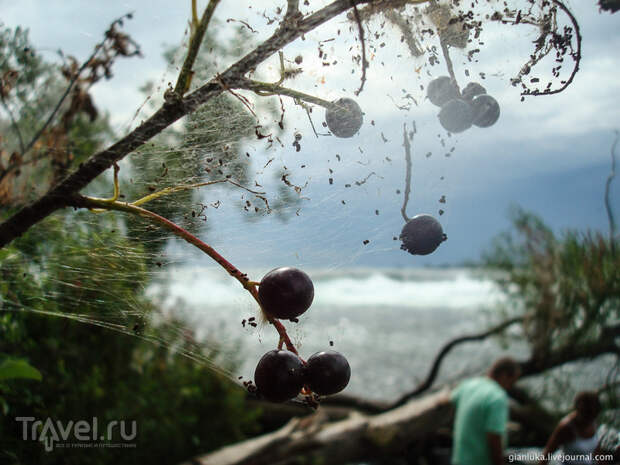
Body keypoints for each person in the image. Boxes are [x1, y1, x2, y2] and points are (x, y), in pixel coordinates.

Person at [450, 357, 521, 465]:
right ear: (504, 376)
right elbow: (494, 437)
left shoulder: (468, 385)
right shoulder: (497, 397)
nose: (510, 387)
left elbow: (449, 398)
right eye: (512, 382)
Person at [541, 391, 602, 464]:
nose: (589, 419)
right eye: (587, 415)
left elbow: (597, 452)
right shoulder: (566, 427)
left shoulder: (594, 422)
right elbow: (547, 453)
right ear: (579, 410)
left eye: (593, 415)